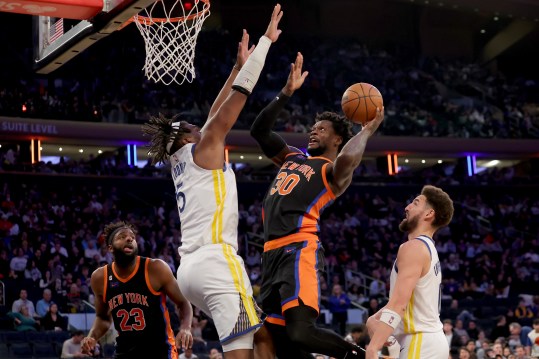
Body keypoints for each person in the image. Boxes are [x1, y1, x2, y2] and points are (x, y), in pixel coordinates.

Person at [142, 5, 283, 359]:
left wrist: (237, 66)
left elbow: (213, 117)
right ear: (189, 136)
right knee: (242, 352)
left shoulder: (184, 159)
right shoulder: (203, 147)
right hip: (216, 263)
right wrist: (266, 42)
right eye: (192, 126)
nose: (198, 125)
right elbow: (236, 100)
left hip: (189, 271)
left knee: (263, 337)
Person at [250, 51, 384, 359]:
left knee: (301, 331)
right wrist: (286, 93)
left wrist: (366, 131)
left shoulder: (331, 173)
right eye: (314, 127)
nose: (314, 130)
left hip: (298, 252)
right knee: (280, 339)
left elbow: (349, 159)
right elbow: (259, 131)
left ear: (337, 140)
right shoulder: (292, 156)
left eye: (322, 129)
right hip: (270, 256)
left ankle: (362, 357)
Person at [80, 221, 194, 359]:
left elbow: (183, 303)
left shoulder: (155, 268)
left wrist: (185, 328)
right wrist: (92, 337)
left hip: (160, 350)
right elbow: (103, 318)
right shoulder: (100, 278)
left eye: (132, 237)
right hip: (125, 351)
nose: (129, 239)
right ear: (110, 248)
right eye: (122, 237)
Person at [366, 185, 454, 359]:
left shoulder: (414, 247)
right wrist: (373, 319)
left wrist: (373, 348)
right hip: (429, 341)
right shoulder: (427, 248)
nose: (407, 207)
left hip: (420, 342)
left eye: (415, 203)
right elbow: (406, 301)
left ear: (429, 214)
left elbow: (399, 305)